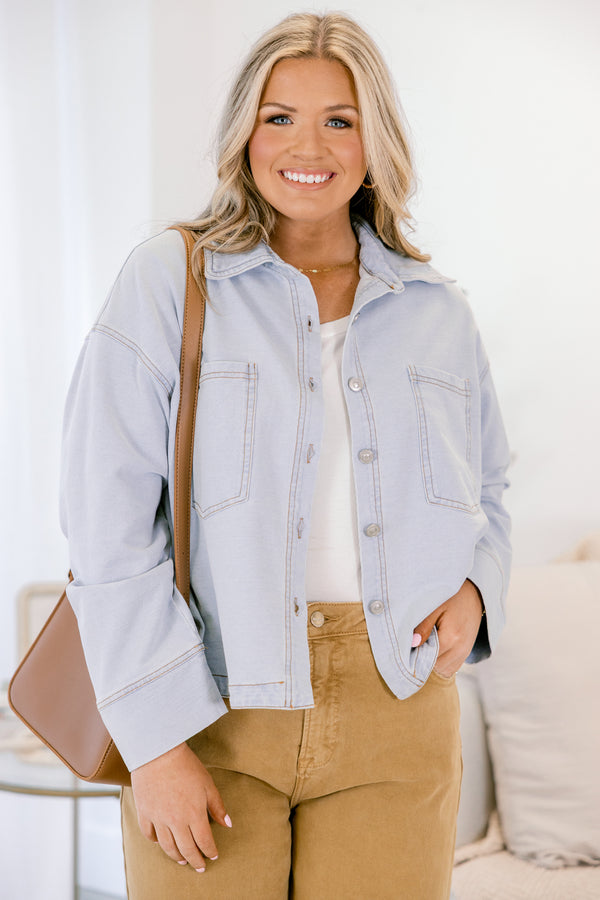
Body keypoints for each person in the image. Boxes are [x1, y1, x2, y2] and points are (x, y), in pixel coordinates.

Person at [60, 11, 512, 900]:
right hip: (210, 705)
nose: (309, 144)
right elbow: (105, 523)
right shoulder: (169, 280)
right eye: (280, 117)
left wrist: (478, 586)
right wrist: (154, 744)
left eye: (340, 119)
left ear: (375, 141)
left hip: (400, 712)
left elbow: (489, 480)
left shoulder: (436, 311)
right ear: (245, 134)